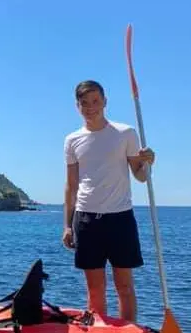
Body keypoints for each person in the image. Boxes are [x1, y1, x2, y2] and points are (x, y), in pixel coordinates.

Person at [62, 80, 155, 322]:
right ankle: (99, 327)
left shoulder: (126, 133)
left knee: (124, 287)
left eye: (95, 101)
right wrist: (67, 226)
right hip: (86, 219)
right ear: (77, 106)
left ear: (105, 102)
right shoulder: (72, 140)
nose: (90, 107)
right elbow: (71, 185)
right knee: (95, 289)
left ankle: (128, 328)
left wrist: (148, 163)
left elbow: (140, 176)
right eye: (84, 103)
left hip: (120, 218)